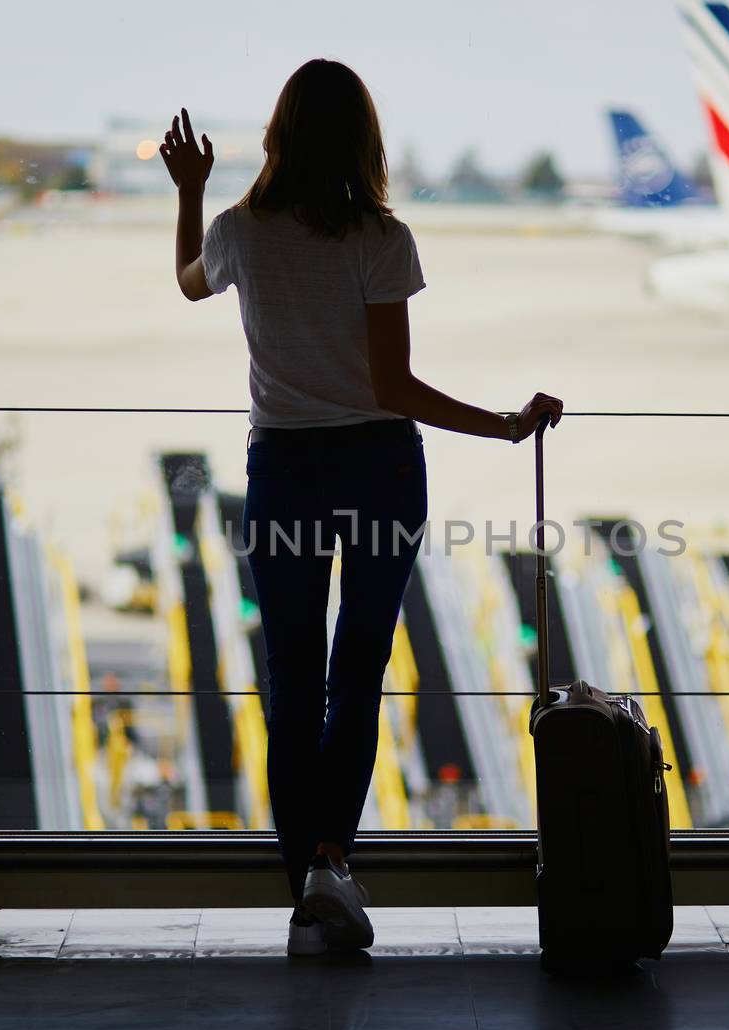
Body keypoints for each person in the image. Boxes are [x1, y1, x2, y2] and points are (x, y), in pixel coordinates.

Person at [161, 59, 562, 956]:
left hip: (285, 473)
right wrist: (500, 426)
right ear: (363, 142)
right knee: (358, 671)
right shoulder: (383, 239)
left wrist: (190, 189)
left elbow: (189, 280)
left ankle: (306, 868)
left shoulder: (239, 230)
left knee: (291, 678)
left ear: (277, 135)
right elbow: (392, 385)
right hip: (378, 469)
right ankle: (331, 862)